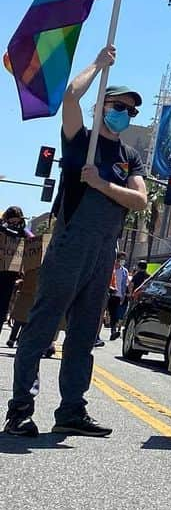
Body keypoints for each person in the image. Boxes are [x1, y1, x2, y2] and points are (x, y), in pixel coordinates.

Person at [4, 46, 147, 437]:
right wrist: (98, 65)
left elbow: (140, 199)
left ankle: (71, 410)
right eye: (119, 106)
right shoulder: (79, 140)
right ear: (102, 105)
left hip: (104, 251)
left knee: (85, 334)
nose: (125, 114)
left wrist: (102, 183)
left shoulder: (129, 156)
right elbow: (70, 97)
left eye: (131, 111)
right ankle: (20, 409)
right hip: (71, 245)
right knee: (43, 326)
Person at [5, 226, 43, 349]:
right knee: (19, 319)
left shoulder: (40, 264)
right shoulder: (28, 263)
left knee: (26, 320)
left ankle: (20, 339)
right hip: (25, 292)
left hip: (34, 293)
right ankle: (12, 338)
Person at [0, 207, 32, 328]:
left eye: (17, 222)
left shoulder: (23, 232)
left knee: (2, 310)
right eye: (12, 222)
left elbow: (34, 240)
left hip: (10, 276)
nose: (14, 225)